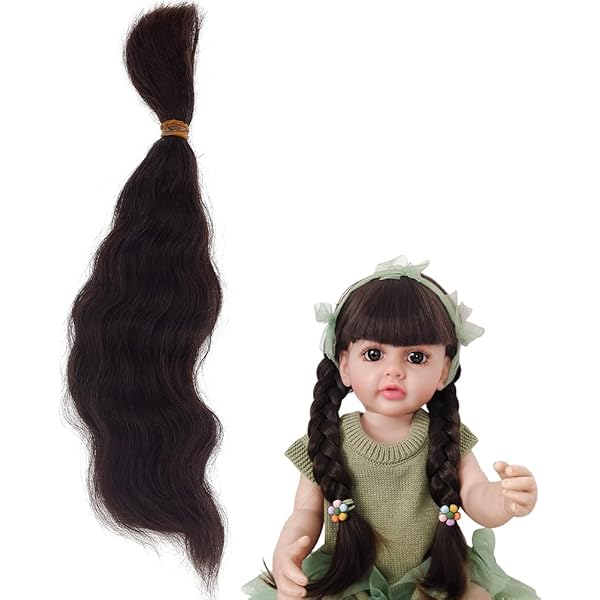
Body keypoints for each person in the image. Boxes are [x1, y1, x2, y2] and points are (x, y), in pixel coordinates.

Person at [242, 255, 539, 600]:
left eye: (416, 357)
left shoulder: (446, 438)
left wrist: (502, 500)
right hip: (348, 578)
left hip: (433, 579)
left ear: (444, 370)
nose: (394, 370)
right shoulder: (327, 440)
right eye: (373, 354)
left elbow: (474, 495)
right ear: (344, 365)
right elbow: (306, 512)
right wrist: (287, 552)